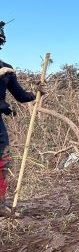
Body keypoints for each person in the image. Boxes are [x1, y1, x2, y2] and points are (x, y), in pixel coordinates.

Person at [0, 21, 43, 216]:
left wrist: (37, 93)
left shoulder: (7, 70)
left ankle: (1, 205)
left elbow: (20, 96)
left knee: (2, 159)